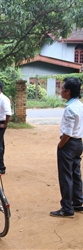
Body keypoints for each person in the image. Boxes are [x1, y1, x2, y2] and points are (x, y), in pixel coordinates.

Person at [50, 77, 83, 218]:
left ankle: (67, 208)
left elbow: (67, 133)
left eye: (62, 88)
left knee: (65, 177)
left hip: (68, 144)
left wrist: (60, 145)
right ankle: (78, 202)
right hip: (78, 143)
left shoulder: (70, 109)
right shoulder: (80, 105)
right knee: (76, 174)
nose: (60, 91)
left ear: (68, 91)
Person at [0, 81, 12, 174]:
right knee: (0, 144)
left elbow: (8, 114)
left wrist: (5, 125)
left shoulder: (4, 99)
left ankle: (1, 167)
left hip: (1, 123)